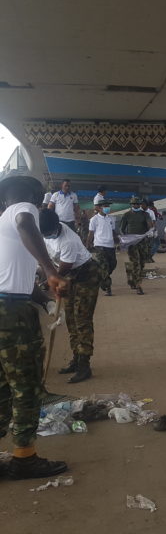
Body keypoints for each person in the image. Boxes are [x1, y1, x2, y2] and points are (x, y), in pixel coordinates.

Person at [0, 175, 69, 480]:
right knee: (26, 387)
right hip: (12, 316)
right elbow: (27, 224)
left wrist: (44, 300)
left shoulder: (2, 225)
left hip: (8, 304)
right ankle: (25, 460)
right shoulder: (23, 210)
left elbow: (14, 278)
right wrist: (51, 271)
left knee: (2, 388)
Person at [40, 210, 101, 383]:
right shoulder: (45, 231)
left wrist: (47, 283)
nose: (46, 236)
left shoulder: (68, 241)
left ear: (56, 226)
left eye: (48, 233)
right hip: (68, 276)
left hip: (86, 275)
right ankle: (76, 357)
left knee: (82, 319)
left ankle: (84, 365)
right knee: (71, 319)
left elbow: (63, 268)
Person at [119, 196, 152, 295]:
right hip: (132, 243)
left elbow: (149, 225)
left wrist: (151, 230)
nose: (136, 205)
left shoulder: (145, 214)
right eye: (134, 204)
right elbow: (121, 228)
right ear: (131, 205)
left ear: (140, 204)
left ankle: (131, 276)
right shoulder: (126, 215)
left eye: (137, 204)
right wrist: (125, 238)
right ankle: (138, 285)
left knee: (141, 263)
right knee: (136, 262)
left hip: (142, 241)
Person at [86, 199, 118, 296]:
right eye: (105, 206)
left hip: (110, 246)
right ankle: (107, 287)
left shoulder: (112, 219)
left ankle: (101, 278)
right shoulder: (94, 219)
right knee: (104, 267)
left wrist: (117, 240)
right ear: (99, 208)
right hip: (99, 246)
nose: (107, 208)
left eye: (108, 206)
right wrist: (88, 244)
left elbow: (113, 231)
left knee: (112, 264)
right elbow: (90, 233)